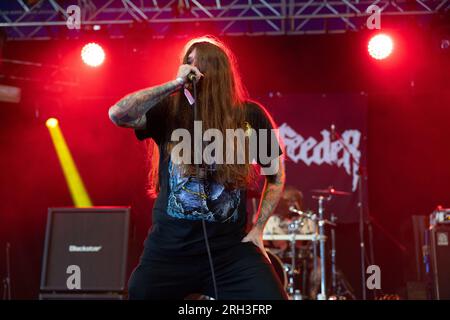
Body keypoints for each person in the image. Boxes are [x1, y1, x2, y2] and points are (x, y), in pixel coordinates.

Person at [108, 36, 287, 300]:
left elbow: (276, 175)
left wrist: (259, 228)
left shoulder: (249, 116)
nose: (189, 68)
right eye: (186, 62)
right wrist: (173, 84)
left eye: (196, 62)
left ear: (216, 70)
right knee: (139, 293)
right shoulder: (169, 110)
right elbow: (118, 114)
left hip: (229, 253)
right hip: (169, 251)